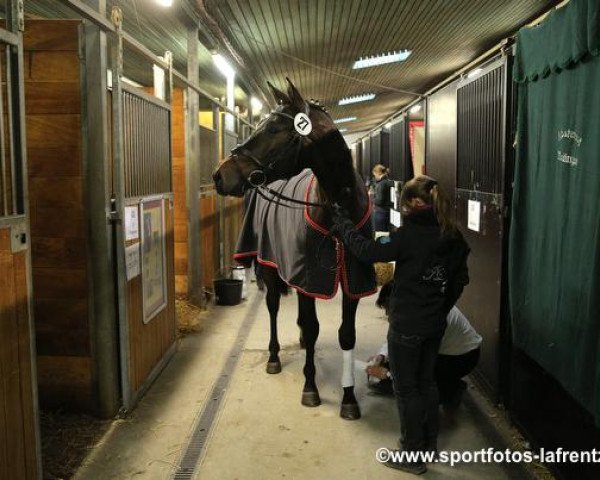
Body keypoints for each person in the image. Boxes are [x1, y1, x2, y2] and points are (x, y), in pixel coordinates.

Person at [331, 175, 470, 475]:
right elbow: (460, 280)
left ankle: (411, 454)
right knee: (427, 384)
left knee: (406, 391)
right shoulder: (454, 235)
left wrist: (341, 223)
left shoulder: (408, 234)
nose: (404, 209)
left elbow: (367, 251)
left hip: (407, 324)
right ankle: (429, 445)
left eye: (406, 203)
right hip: (434, 325)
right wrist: (440, 308)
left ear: (417, 203)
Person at [367, 282, 482, 407]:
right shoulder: (413, 307)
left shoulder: (426, 316)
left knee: (415, 389)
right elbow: (395, 337)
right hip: (446, 352)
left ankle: (451, 390)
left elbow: (415, 357)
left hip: (461, 358)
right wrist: (381, 356)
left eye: (388, 308)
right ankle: (447, 383)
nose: (387, 314)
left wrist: (389, 373)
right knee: (391, 370)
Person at [371, 164, 395, 232]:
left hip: (380, 213)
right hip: (388, 211)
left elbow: (379, 201)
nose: (374, 177)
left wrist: (372, 198)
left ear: (377, 173)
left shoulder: (381, 184)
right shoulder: (389, 181)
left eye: (374, 175)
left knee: (380, 234)